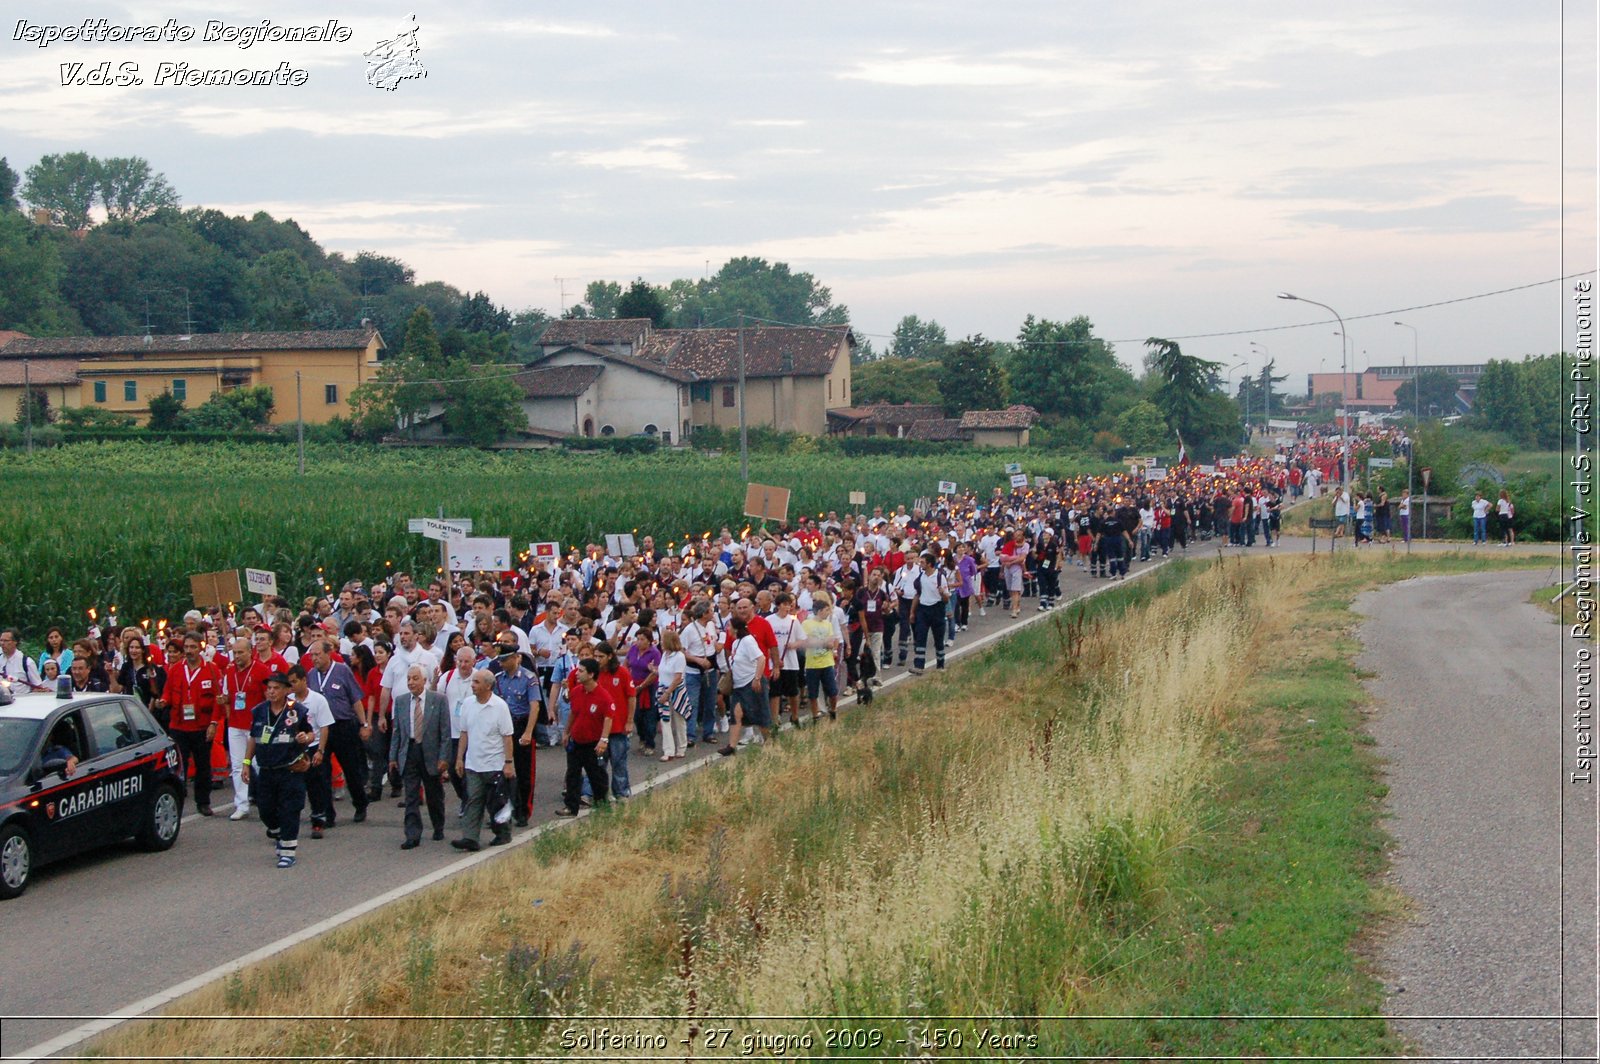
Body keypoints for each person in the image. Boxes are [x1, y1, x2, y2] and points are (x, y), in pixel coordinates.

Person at [242, 674, 318, 868]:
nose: (272, 692)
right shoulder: (259, 711)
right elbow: (253, 738)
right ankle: (277, 832)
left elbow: (310, 733)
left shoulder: (296, 711)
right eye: (269, 688)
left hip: (290, 769)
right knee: (265, 810)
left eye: (276, 688)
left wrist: (305, 738)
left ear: (286, 690)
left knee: (290, 810)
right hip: (267, 770)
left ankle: (288, 851)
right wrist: (246, 763)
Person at [305, 638, 372, 826]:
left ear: (328, 653)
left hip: (343, 725)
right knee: (321, 772)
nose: (315, 658)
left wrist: (364, 724)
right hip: (321, 729)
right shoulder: (311, 675)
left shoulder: (342, 670)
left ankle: (360, 804)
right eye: (312, 655)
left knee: (351, 769)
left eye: (318, 654)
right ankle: (327, 813)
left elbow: (356, 699)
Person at [158, 632, 221, 816]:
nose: (189, 651)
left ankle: (203, 801)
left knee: (203, 766)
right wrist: (163, 700)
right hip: (179, 725)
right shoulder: (176, 669)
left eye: (193, 647)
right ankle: (179, 797)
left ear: (200, 648)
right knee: (179, 765)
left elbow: (219, 699)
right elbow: (168, 691)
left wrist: (214, 723)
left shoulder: (211, 669)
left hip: (201, 726)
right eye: (186, 647)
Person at [390, 664, 452, 849]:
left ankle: (438, 825)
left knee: (434, 794)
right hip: (409, 751)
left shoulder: (438, 700)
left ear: (425, 681)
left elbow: (445, 733)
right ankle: (412, 834)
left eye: (415, 678)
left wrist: (443, 758)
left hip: (430, 753)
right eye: (409, 678)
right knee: (411, 795)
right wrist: (393, 757)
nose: (411, 682)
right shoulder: (401, 702)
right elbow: (397, 732)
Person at [452, 669, 515, 851]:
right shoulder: (468, 704)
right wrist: (459, 758)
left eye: (477, 682)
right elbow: (464, 733)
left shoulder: (500, 706)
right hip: (473, 763)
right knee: (473, 799)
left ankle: (503, 833)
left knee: (496, 803)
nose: (473, 685)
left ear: (488, 686)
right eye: (473, 682)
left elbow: (507, 736)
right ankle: (470, 837)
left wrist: (508, 763)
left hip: (494, 764)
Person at [491, 635, 540, 827]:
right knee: (504, 771)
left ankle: (523, 811)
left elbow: (534, 706)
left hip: (522, 725)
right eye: (500, 660)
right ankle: (506, 807)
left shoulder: (528, 678)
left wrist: (528, 732)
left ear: (515, 658)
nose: (501, 663)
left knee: (524, 771)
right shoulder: (498, 679)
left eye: (504, 660)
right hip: (505, 727)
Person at [555, 658, 614, 817]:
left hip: (593, 743)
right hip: (577, 741)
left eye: (581, 671)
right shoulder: (576, 692)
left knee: (597, 776)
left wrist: (604, 740)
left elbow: (609, 718)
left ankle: (602, 805)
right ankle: (571, 807)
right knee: (572, 774)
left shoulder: (603, 696)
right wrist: (567, 732)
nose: (577, 674)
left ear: (591, 674)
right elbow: (573, 713)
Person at [286, 665, 336, 837]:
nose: (291, 685)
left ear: (304, 680)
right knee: (292, 789)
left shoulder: (317, 700)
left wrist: (320, 751)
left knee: (316, 787)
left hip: (312, 746)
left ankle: (318, 820)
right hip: (293, 749)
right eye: (289, 682)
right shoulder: (288, 701)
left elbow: (324, 727)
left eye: (294, 682)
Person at [721, 618, 770, 755]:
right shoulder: (737, 642)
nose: (728, 629)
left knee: (759, 714)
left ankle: (769, 740)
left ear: (736, 628)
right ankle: (731, 746)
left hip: (751, 682)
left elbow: (761, 659)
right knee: (736, 714)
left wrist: (757, 678)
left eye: (729, 626)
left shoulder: (748, 640)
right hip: (739, 684)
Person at [799, 591, 841, 721]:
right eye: (826, 610)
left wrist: (828, 644)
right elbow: (807, 641)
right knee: (813, 692)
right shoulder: (806, 624)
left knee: (832, 691)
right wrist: (823, 642)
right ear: (819, 611)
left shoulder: (828, 624)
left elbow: (832, 641)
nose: (828, 613)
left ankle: (833, 710)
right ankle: (815, 714)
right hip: (812, 663)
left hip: (827, 662)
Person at [907, 554, 948, 676]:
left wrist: (942, 593)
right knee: (920, 637)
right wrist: (912, 612)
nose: (920, 564)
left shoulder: (940, 577)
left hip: (937, 609)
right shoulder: (921, 577)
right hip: (923, 609)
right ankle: (919, 665)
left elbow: (946, 599)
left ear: (929, 564)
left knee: (938, 638)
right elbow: (917, 595)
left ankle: (940, 664)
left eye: (923, 562)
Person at [656, 627, 689, 761]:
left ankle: (681, 747)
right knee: (665, 720)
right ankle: (668, 750)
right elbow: (663, 672)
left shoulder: (679, 656)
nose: (661, 643)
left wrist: (668, 692)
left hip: (676, 690)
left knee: (679, 719)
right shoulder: (664, 655)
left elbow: (678, 677)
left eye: (663, 641)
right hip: (663, 688)